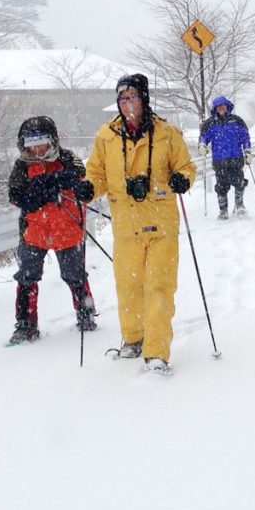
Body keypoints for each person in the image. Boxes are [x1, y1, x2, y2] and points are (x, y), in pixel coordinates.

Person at [75, 74, 196, 374]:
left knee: (158, 286)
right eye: (123, 98)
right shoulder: (106, 136)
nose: (128, 103)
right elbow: (97, 174)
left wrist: (182, 179)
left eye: (133, 97)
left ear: (145, 99)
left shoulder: (167, 133)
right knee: (128, 286)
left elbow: (186, 166)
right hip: (126, 226)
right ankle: (133, 340)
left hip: (161, 225)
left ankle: (156, 352)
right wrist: (89, 188)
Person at [7, 116, 96, 345]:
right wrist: (46, 189)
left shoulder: (68, 158)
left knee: (75, 275)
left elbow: (80, 178)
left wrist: (52, 181)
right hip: (33, 233)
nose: (37, 149)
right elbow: (17, 196)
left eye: (42, 142)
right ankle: (26, 325)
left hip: (67, 230)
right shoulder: (22, 166)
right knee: (27, 278)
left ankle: (85, 314)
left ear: (53, 141)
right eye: (30, 144)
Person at [198, 95, 252, 220]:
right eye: (219, 107)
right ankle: (223, 211)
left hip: (236, 160)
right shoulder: (210, 123)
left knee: (239, 183)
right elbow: (204, 136)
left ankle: (239, 205)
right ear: (215, 109)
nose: (221, 109)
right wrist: (202, 145)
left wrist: (247, 151)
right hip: (219, 162)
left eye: (223, 106)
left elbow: (245, 137)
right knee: (221, 188)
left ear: (227, 107)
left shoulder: (237, 121)